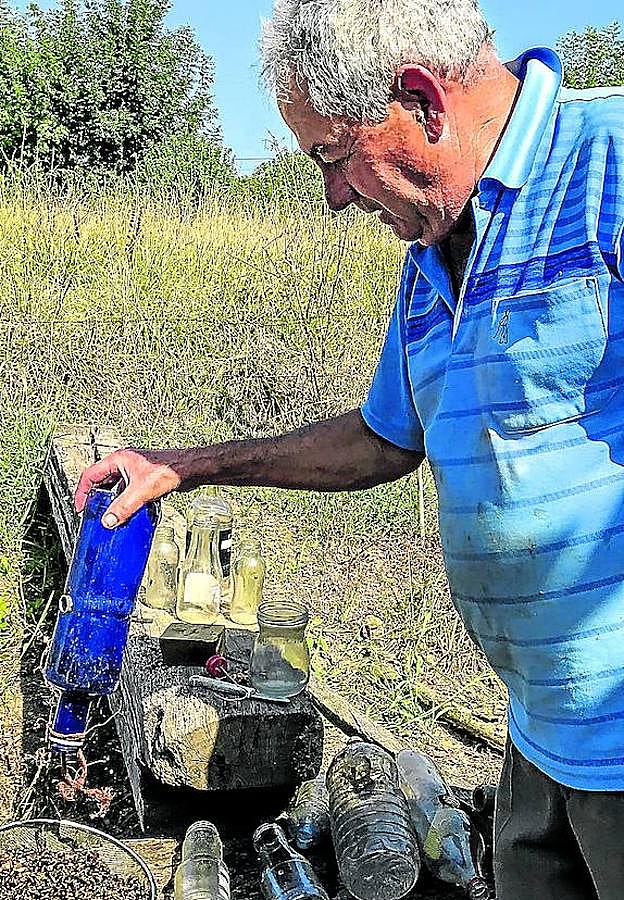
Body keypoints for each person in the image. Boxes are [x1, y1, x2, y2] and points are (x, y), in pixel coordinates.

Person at [75, 1, 624, 897]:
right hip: (538, 732)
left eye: (333, 157)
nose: (333, 196)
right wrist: (188, 464)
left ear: (420, 99)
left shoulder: (611, 162)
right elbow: (380, 438)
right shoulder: (433, 253)